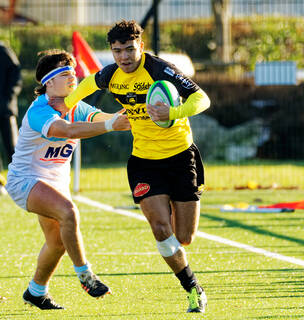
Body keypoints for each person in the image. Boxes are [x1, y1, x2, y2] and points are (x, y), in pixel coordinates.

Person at [49, 20, 210, 313]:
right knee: (161, 229)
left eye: (129, 49)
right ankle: (192, 288)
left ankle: (172, 213)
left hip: (180, 157)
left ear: (141, 47)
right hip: (144, 162)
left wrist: (174, 111)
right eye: (117, 50)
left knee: (183, 237)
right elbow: (88, 83)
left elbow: (202, 98)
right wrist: (66, 102)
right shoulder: (112, 74)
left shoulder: (161, 70)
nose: (123, 57)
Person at [5, 49, 130, 310]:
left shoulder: (77, 106)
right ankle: (86, 276)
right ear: (48, 82)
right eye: (65, 74)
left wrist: (131, 116)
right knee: (69, 213)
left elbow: (104, 118)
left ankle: (36, 292)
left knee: (58, 242)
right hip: (25, 181)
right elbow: (68, 130)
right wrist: (111, 125)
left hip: (54, 182)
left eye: (74, 73)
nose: (73, 77)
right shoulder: (40, 110)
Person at [0, 41, 22, 194]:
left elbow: (16, 74)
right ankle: (1, 184)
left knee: (14, 148)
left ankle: (22, 182)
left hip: (5, 109)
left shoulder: (2, 50)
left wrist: (8, 97)